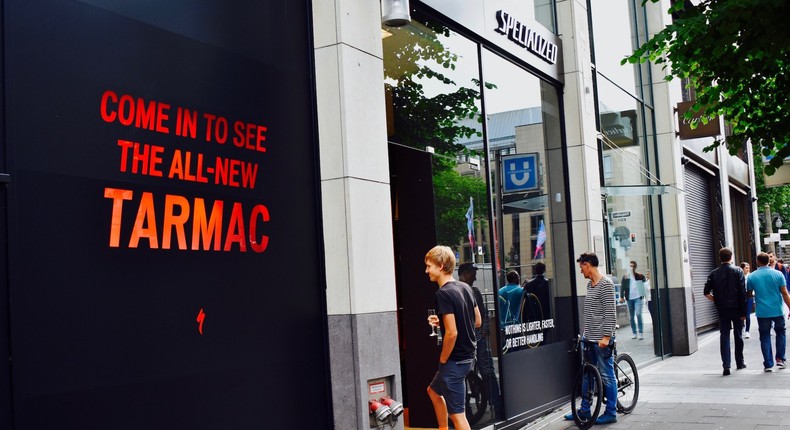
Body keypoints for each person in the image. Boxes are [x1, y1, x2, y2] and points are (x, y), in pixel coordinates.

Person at [425, 246, 482, 430]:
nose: (427, 271)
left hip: (454, 362)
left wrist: (443, 359)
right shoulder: (465, 287)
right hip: (467, 358)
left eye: (429, 266)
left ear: (440, 266)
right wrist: (442, 323)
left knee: (458, 416)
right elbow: (477, 321)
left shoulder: (443, 294)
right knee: (433, 392)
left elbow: (453, 333)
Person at [565, 252, 618, 425]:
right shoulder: (590, 285)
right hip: (589, 339)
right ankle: (585, 410)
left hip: (602, 340)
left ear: (588, 265)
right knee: (588, 375)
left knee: (607, 375)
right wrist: (585, 334)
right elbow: (591, 314)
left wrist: (606, 337)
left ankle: (611, 412)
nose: (581, 271)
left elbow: (610, 313)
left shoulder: (606, 284)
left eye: (581, 267)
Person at [457, 262, 504, 420]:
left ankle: (495, 406)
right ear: (464, 273)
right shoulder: (462, 290)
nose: (475, 276)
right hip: (471, 340)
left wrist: (483, 333)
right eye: (472, 272)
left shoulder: (472, 291)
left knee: (484, 372)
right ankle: (474, 411)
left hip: (476, 339)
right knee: (474, 374)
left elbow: (483, 316)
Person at [703, 247, 747, 376]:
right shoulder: (738, 271)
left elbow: (706, 292)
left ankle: (726, 365)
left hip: (722, 309)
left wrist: (716, 300)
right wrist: (744, 312)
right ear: (731, 257)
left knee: (724, 336)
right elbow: (742, 293)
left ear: (719, 258)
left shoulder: (714, 273)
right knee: (738, 335)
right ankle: (740, 362)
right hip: (737, 309)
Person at [746, 252, 790, 372]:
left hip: (762, 312)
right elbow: (785, 293)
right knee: (780, 333)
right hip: (778, 310)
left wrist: (746, 311)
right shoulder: (778, 274)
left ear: (757, 261)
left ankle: (768, 364)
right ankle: (780, 359)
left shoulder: (751, 277)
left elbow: (749, 295)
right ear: (768, 261)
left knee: (764, 336)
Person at [521, 262, 552, 343]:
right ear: (544, 270)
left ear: (535, 271)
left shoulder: (529, 284)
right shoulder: (548, 283)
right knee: (544, 334)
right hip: (546, 313)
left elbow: (525, 302)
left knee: (537, 335)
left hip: (533, 314)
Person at [620, 261, 647, 339]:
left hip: (638, 298)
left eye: (633, 266)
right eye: (630, 266)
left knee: (638, 314)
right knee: (631, 317)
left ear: (635, 267)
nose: (631, 268)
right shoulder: (625, 277)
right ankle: (634, 333)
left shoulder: (640, 276)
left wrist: (645, 295)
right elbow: (622, 287)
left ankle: (640, 332)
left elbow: (644, 285)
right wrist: (621, 297)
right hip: (629, 299)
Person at [740, 262, 753, 339]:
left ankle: (747, 331)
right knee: (741, 314)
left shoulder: (751, 276)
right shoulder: (738, 276)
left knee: (747, 315)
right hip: (741, 298)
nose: (748, 270)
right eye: (746, 268)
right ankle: (742, 328)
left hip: (749, 297)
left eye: (748, 268)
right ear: (742, 269)